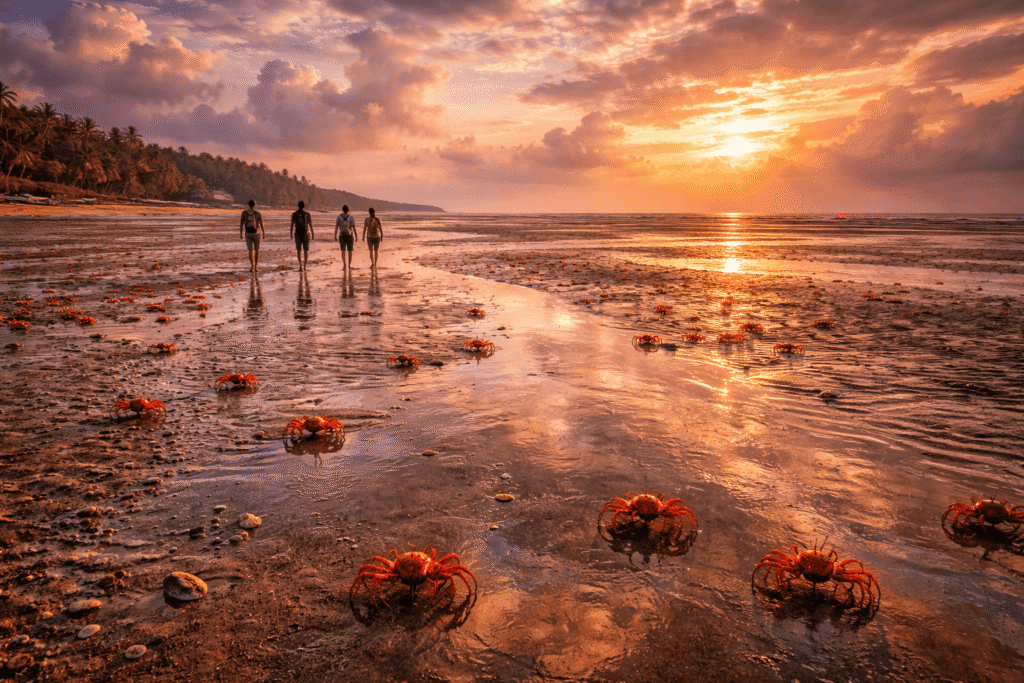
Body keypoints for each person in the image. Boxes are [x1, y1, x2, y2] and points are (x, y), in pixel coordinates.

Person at [239, 199, 265, 273]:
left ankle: (251, 267)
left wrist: (240, 233)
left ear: (248, 205)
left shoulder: (244, 213)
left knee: (250, 250)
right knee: (257, 250)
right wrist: (264, 233)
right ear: (255, 205)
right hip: (256, 233)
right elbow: (261, 224)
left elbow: (241, 223)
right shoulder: (257, 213)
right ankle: (256, 267)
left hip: (248, 233)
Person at [290, 200, 314, 271]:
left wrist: (291, 234)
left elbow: (292, 225)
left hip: (297, 233)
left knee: (299, 250)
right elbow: (310, 225)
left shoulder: (294, 214)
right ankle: (305, 266)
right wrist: (312, 233)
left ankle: (300, 266)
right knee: (306, 250)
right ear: (304, 206)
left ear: (298, 206)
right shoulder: (307, 214)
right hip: (305, 233)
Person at [334, 204, 356, 270]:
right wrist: (356, 235)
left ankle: (344, 264)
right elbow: (353, 227)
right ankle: (349, 265)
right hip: (349, 235)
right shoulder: (351, 217)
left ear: (342, 209)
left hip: (341, 235)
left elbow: (336, 227)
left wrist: (335, 236)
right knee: (350, 251)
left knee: (343, 250)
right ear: (348, 210)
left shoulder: (339, 217)